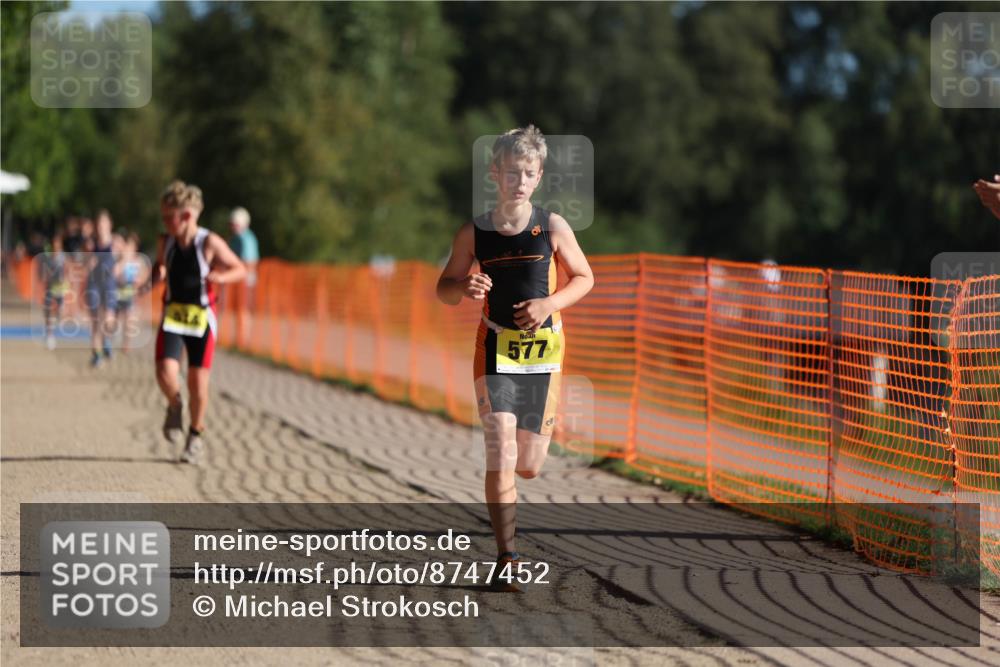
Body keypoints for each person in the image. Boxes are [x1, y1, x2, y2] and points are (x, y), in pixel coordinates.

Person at [436, 126, 594, 591]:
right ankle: (507, 557)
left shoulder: (553, 226)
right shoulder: (474, 232)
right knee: (500, 451)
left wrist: (549, 304)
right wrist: (463, 287)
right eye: (511, 172)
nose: (519, 181)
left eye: (528, 173)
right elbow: (443, 288)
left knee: (529, 465)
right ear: (495, 173)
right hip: (495, 348)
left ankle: (510, 539)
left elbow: (585, 278)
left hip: (544, 354)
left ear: (539, 176)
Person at [153, 180, 245, 464]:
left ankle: (195, 435)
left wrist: (221, 277)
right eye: (164, 217)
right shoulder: (165, 241)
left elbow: (239, 269)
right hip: (173, 314)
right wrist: (158, 272)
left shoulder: (209, 242)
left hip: (201, 319)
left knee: (197, 381)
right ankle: (175, 405)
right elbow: (162, 266)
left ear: (187, 216)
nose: (166, 222)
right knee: (166, 373)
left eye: (171, 217)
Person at [84, 210, 118, 367]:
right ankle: (96, 354)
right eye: (98, 223)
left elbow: (129, 256)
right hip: (94, 284)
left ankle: (106, 341)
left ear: (110, 224)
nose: (101, 226)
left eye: (104, 223)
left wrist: (120, 266)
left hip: (109, 284)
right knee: (95, 321)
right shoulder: (91, 244)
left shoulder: (116, 242)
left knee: (109, 319)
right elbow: (86, 264)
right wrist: (90, 261)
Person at [227, 206, 259, 347]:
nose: (233, 227)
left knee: (244, 310)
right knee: (239, 310)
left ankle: (244, 340)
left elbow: (249, 263)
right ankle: (240, 339)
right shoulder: (235, 238)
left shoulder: (246, 239)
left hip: (245, 281)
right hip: (237, 280)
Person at [114, 232, 148, 354]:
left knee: (128, 321)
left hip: (130, 295)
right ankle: (112, 337)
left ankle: (126, 345)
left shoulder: (138, 261)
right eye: (127, 245)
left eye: (131, 246)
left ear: (135, 247)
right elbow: (115, 274)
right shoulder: (121, 259)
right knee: (114, 320)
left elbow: (144, 275)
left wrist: (139, 281)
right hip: (117, 294)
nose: (128, 248)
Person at [38, 233, 69, 350]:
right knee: (48, 311)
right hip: (50, 288)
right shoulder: (48, 257)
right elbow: (44, 272)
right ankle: (49, 335)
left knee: (59, 312)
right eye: (54, 243)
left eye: (58, 243)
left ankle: (53, 326)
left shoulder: (63, 257)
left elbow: (67, 269)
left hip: (60, 288)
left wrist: (65, 279)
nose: (56, 245)